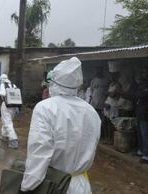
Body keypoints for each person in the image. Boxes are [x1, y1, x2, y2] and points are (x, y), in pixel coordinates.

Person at [21, 57, 101, 193]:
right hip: (81, 185)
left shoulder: (45, 108)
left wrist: (27, 186)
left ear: (54, 82)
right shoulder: (91, 111)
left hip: (54, 184)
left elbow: (40, 152)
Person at [0, 74, 20, 149]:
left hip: (6, 105)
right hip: (14, 106)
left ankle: (13, 140)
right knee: (6, 121)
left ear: (1, 79)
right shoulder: (13, 85)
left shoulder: (3, 84)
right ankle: (4, 136)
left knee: (7, 122)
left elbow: (3, 93)